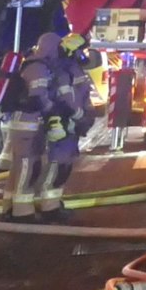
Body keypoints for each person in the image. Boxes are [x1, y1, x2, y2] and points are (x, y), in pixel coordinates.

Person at [35, 33, 96, 222]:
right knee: (58, 165)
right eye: (80, 50)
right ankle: (49, 208)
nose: (83, 54)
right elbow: (68, 99)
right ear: (71, 50)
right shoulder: (64, 70)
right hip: (66, 123)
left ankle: (54, 203)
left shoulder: (72, 68)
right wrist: (80, 116)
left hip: (71, 124)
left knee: (65, 166)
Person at [0, 33, 59, 222]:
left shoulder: (33, 63)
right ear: (50, 48)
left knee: (19, 167)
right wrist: (55, 111)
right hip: (28, 123)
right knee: (28, 167)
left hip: (24, 122)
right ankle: (22, 212)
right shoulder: (38, 67)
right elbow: (38, 96)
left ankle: (9, 207)